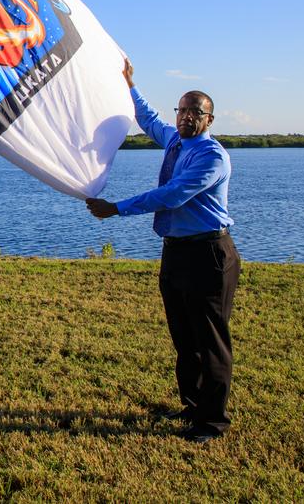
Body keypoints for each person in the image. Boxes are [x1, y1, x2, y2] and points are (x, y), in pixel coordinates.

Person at [86, 60, 239, 443]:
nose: (187, 117)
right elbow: (148, 117)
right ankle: (191, 406)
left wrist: (118, 208)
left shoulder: (211, 156)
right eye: (183, 110)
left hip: (208, 253)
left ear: (210, 119)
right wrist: (129, 84)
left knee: (210, 340)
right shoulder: (175, 140)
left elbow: (173, 195)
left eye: (196, 112)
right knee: (184, 337)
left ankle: (212, 422)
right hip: (176, 252)